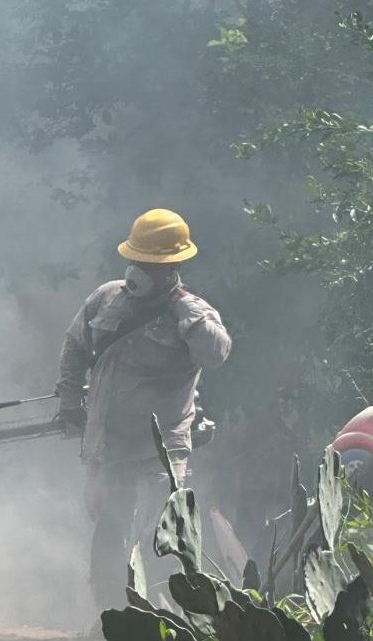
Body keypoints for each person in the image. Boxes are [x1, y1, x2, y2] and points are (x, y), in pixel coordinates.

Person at [55, 208, 232, 613]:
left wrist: (184, 310)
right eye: (137, 260)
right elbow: (74, 346)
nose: (140, 270)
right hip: (106, 447)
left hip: (160, 452)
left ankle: (164, 623)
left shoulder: (192, 313)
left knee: (161, 541)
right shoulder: (106, 298)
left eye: (151, 264)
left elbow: (217, 352)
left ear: (173, 268)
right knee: (108, 533)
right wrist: (69, 403)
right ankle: (110, 621)